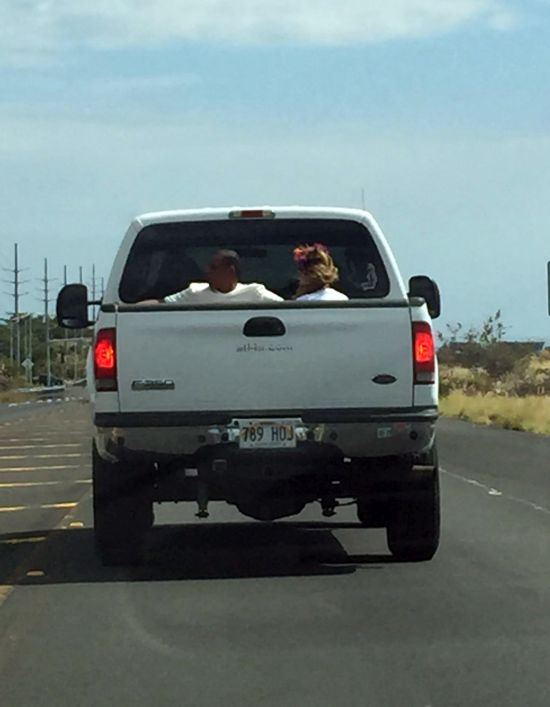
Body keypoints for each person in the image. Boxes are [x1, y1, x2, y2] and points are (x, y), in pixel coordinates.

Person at [164, 250, 283, 304]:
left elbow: (285, 308)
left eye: (213, 267)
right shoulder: (195, 292)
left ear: (230, 271)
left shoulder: (255, 292)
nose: (207, 271)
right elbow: (161, 303)